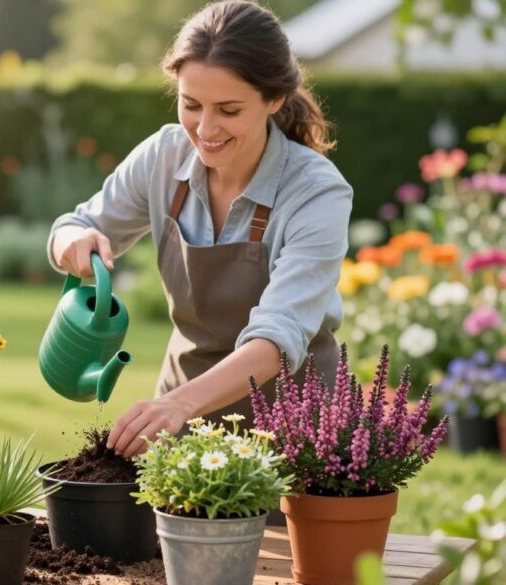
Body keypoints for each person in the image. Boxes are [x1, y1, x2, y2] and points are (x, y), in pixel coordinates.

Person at [47, 0, 351, 459]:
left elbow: (279, 336)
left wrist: (177, 405)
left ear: (274, 99)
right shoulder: (164, 157)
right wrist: (73, 241)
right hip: (179, 420)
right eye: (191, 105)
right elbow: (75, 224)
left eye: (228, 110)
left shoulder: (315, 192)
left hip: (291, 430)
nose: (205, 129)